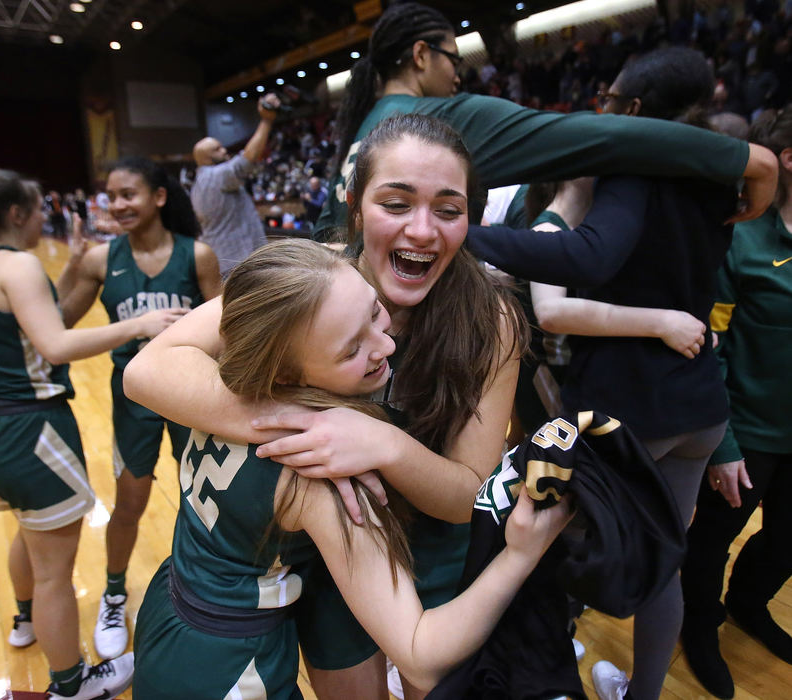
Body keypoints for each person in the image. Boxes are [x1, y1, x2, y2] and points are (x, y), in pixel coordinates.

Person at [126, 112, 532, 700]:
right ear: (355, 205)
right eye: (396, 203)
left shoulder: (493, 319)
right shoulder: (316, 279)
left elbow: (467, 493)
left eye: (449, 209)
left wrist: (384, 443)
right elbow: (149, 369)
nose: (423, 230)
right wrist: (313, 425)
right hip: (325, 547)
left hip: (433, 550)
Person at [472, 47, 739, 700]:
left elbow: (588, 259)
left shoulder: (630, 171)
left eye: (610, 103)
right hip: (699, 408)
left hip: (631, 410)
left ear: (634, 111)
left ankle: (543, 684)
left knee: (559, 550)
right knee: (664, 567)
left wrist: (462, 236)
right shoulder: (714, 178)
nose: (601, 115)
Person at [0, 164, 188, 698]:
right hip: (29, 432)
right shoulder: (19, 265)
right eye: (39, 208)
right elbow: (56, 344)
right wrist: (139, 324)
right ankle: (72, 684)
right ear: (18, 214)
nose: (45, 216)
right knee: (54, 572)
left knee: (28, 531)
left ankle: (25, 622)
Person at [312, 2, 777, 244]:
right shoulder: (439, 120)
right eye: (453, 59)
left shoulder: (365, 127)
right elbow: (598, 137)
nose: (458, 73)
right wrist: (744, 157)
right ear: (420, 55)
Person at [56, 156, 220, 661]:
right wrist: (70, 262)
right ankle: (113, 592)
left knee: (202, 501)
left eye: (129, 193)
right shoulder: (101, 260)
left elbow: (227, 329)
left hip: (191, 393)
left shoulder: (198, 255)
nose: (118, 204)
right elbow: (56, 323)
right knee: (129, 503)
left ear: (159, 197)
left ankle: (203, 596)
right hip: (133, 400)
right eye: (111, 195)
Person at [680, 105, 792, 700]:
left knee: (786, 543)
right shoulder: (741, 240)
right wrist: (722, 444)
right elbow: (707, 347)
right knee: (709, 543)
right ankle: (700, 626)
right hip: (747, 435)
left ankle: (749, 604)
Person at [190, 93, 281, 278]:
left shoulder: (197, 184)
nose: (224, 150)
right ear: (206, 158)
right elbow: (248, 159)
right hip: (239, 263)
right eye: (217, 149)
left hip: (222, 261)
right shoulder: (216, 176)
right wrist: (266, 121)